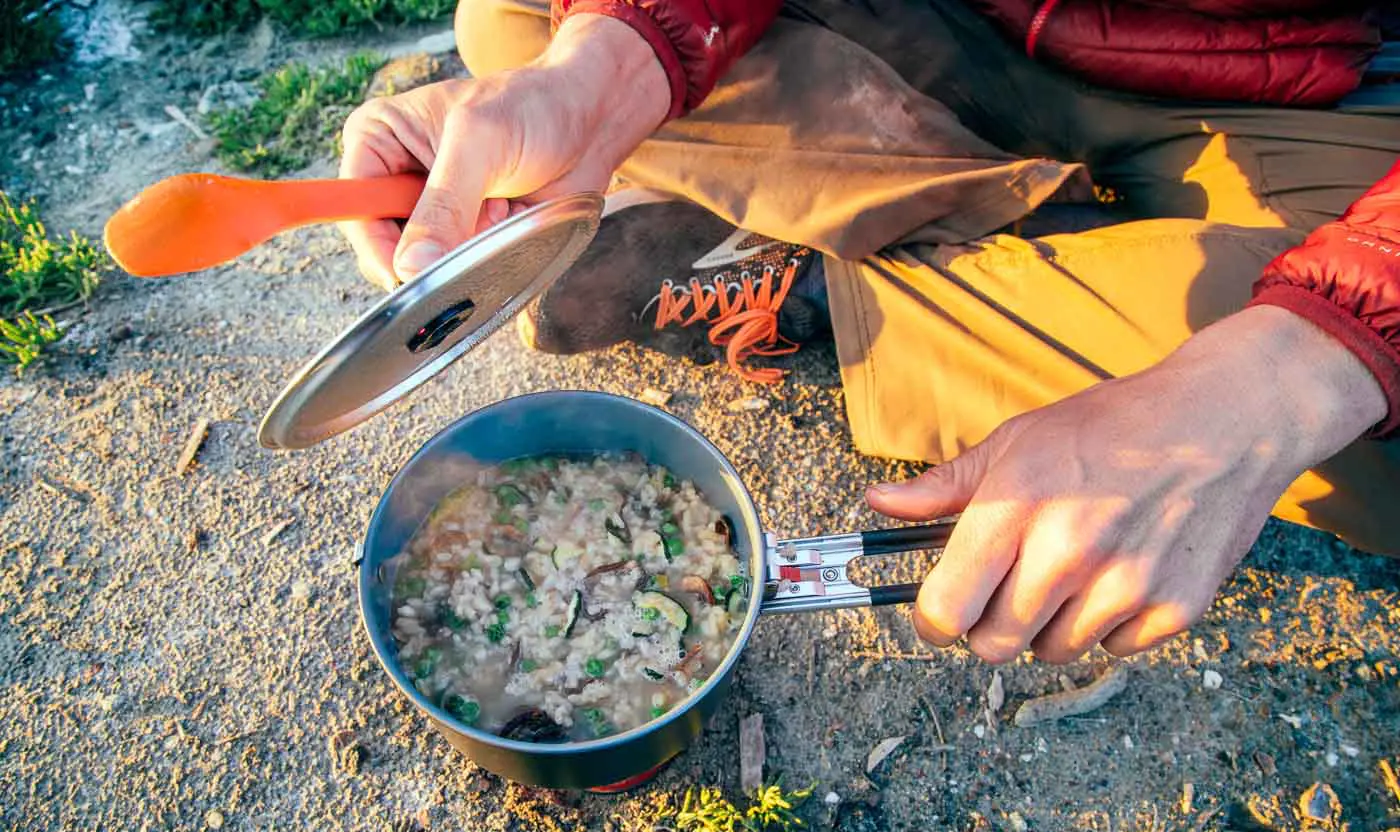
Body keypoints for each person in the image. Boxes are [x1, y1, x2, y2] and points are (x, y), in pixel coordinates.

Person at [336, 0, 1400, 666]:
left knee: (1358, 425)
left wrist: (1282, 377)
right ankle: (1058, 251)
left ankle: (811, 287)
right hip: (950, 31)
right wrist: (614, 65)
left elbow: (1308, 368)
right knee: (516, 25)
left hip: (1301, 88)